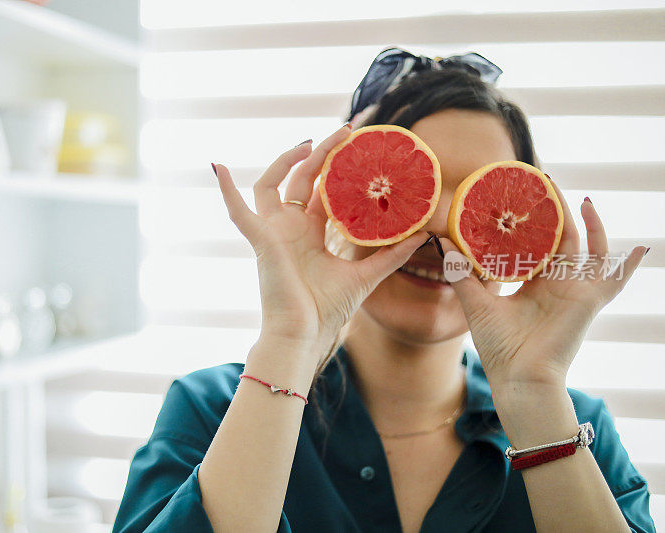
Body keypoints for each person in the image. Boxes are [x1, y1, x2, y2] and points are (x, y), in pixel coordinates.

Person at [112, 49, 655, 532]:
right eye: (414, 185)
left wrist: (534, 395)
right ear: (343, 197)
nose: (441, 228)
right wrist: (289, 342)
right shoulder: (213, 409)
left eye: (480, 194)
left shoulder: (575, 428)